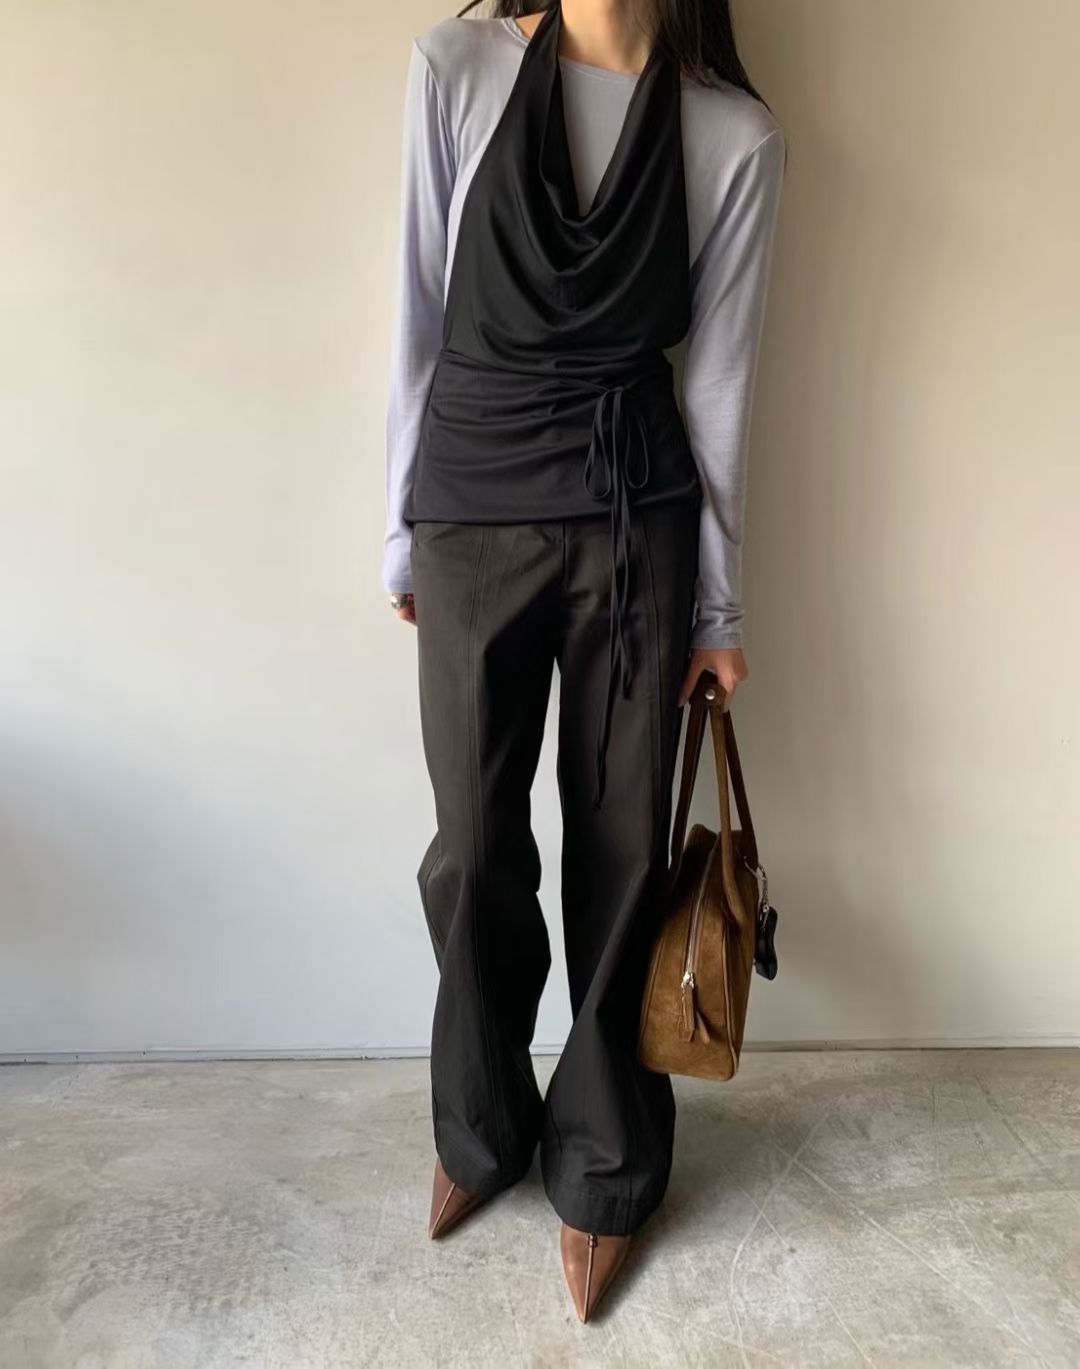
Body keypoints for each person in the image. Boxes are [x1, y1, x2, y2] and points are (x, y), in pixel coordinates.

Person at [381, 0, 784, 1322]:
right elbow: (417, 313)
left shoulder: (732, 135)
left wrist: (718, 611)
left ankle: (607, 1165)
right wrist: (398, 530)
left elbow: (717, 389)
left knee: (622, 851)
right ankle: (480, 1119)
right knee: (473, 842)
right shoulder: (457, 69)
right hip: (471, 506)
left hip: (636, 520)